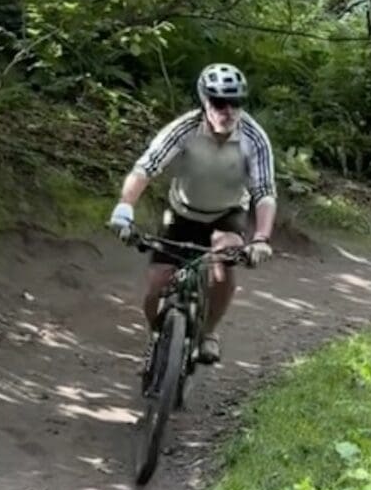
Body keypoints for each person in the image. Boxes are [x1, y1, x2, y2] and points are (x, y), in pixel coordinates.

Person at [107, 63, 276, 366]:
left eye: (235, 102)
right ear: (205, 101)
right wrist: (124, 207)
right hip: (182, 211)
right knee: (158, 284)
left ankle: (208, 332)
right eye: (219, 102)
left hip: (227, 213)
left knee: (224, 265)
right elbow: (146, 168)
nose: (228, 111)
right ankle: (157, 339)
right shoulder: (185, 128)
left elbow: (264, 192)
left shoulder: (254, 137)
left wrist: (261, 238)